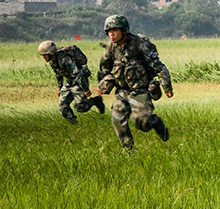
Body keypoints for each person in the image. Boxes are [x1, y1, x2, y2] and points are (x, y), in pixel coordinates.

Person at [97, 15, 173, 151]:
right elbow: (104, 68)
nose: (111, 34)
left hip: (140, 90)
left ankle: (156, 123)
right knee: (117, 120)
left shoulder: (139, 44)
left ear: (124, 31)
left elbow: (158, 66)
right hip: (122, 91)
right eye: (108, 32)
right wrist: (101, 85)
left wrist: (167, 87)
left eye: (114, 30)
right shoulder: (111, 47)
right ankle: (129, 151)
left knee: (142, 122)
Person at [38, 40, 106, 124]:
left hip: (79, 81)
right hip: (70, 81)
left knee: (81, 107)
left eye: (45, 55)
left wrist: (85, 89)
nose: (44, 57)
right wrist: (60, 88)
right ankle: (74, 124)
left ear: (51, 53)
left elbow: (78, 74)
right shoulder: (52, 61)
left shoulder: (65, 59)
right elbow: (58, 74)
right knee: (63, 106)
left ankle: (96, 101)